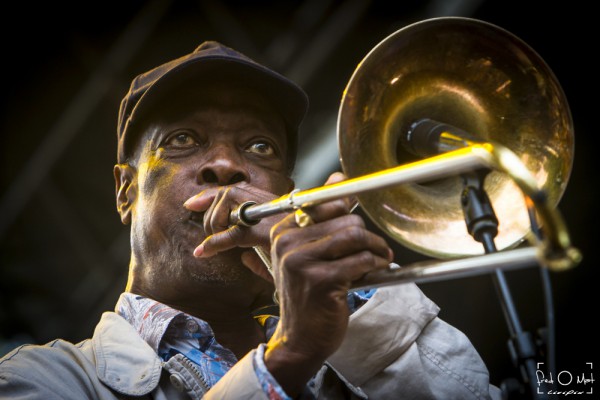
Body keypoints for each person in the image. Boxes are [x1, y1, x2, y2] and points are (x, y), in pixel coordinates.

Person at [0, 41, 501, 399]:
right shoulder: (41, 377)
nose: (227, 165)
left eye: (260, 147)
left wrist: (356, 300)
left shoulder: (345, 330)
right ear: (125, 190)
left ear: (286, 191)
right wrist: (287, 357)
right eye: (183, 140)